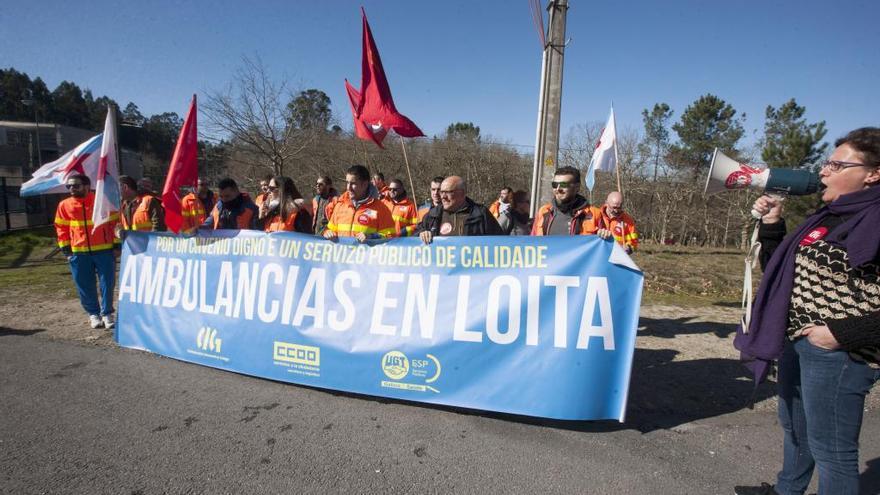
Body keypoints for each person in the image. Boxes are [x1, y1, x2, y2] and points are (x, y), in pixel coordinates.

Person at [734, 127, 880, 495]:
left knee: (833, 451)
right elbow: (783, 272)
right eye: (826, 162)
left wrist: (837, 336)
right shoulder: (828, 216)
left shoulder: (874, 219)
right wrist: (772, 224)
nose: (824, 171)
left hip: (841, 352)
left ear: (873, 174)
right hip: (800, 342)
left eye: (836, 164)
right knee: (796, 430)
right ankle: (787, 491)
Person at [54, 174, 121, 329]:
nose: (71, 189)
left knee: (107, 284)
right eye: (69, 186)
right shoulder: (64, 205)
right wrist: (66, 250)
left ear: (86, 186)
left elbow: (115, 224)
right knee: (84, 285)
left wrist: (117, 245)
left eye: (75, 185)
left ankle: (107, 313)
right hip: (78, 252)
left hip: (104, 251)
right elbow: (61, 228)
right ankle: (93, 314)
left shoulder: (102, 202)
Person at [416, 175, 503, 244]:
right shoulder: (433, 215)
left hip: (471, 265)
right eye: (442, 192)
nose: (443, 196)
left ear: (462, 193)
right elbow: (416, 234)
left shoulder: (480, 214)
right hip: (441, 266)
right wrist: (422, 232)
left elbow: (500, 242)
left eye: (448, 192)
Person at [531, 166, 612, 239]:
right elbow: (532, 243)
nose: (558, 189)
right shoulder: (544, 211)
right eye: (555, 185)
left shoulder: (594, 214)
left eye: (563, 184)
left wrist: (606, 236)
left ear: (577, 187)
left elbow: (603, 247)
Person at [323, 165, 395, 243]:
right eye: (347, 182)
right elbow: (330, 230)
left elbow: (390, 237)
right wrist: (327, 233)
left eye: (353, 183)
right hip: (342, 254)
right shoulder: (340, 205)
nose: (348, 188)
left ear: (365, 184)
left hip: (366, 255)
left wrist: (371, 237)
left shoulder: (381, 209)